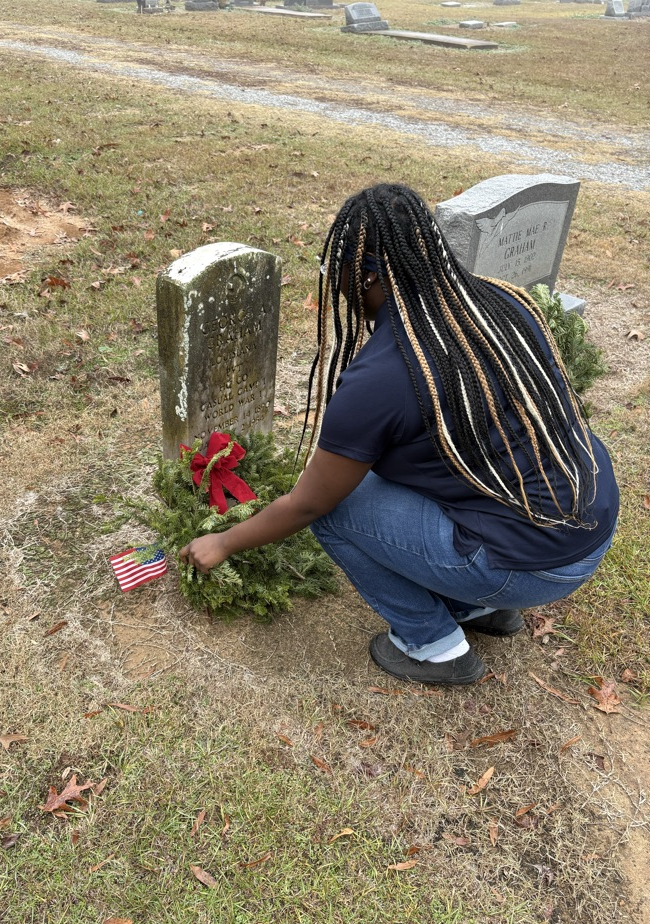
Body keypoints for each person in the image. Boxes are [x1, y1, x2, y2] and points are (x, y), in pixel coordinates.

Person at [179, 184, 619, 685]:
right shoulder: (500, 301)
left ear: (366, 275)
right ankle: (482, 608)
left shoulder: (384, 376)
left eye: (334, 273)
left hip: (534, 563)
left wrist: (224, 542)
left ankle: (434, 645)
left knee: (339, 508)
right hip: (589, 519)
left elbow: (308, 504)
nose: (334, 285)